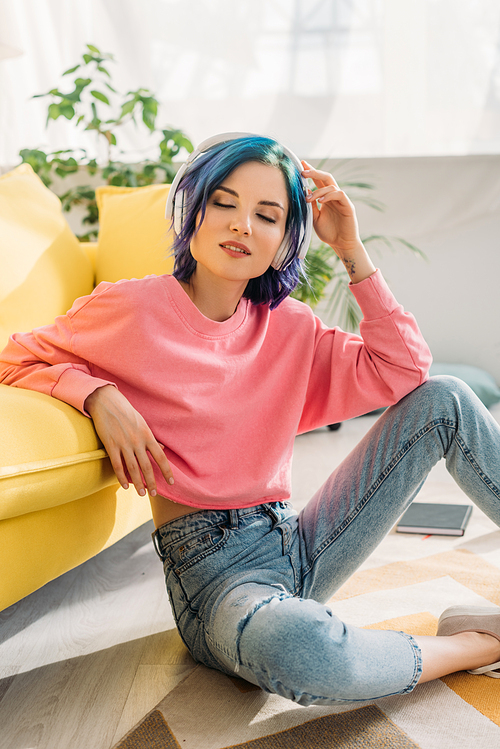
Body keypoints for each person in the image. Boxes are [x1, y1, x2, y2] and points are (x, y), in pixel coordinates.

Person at [1, 132, 500, 706]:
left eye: (267, 215)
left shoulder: (289, 325)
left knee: (448, 397)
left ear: (284, 241)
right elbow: (14, 358)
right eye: (224, 202)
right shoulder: (129, 308)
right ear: (193, 214)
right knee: (303, 649)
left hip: (297, 541)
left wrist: (350, 250)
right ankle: (481, 643)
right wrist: (96, 394)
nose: (242, 225)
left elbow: (407, 371)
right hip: (214, 580)